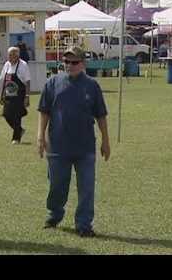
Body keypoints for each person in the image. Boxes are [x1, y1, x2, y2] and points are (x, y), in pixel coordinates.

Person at [37, 46, 110, 237]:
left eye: (74, 62)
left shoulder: (92, 86)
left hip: (85, 147)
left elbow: (101, 115)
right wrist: (40, 136)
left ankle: (84, 224)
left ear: (83, 63)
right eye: (66, 62)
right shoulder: (52, 83)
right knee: (57, 185)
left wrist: (105, 141)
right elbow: (44, 111)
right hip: (58, 146)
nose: (69, 65)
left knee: (86, 187)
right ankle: (54, 214)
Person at [0, 46, 31, 144]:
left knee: (17, 116)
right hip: (8, 94)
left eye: (14, 55)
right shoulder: (6, 65)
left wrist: (27, 96)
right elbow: (3, 81)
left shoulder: (23, 65)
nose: (11, 57)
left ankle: (16, 138)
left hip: (19, 95)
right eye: (10, 55)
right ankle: (20, 130)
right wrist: (1, 95)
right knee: (6, 114)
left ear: (18, 55)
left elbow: (27, 82)